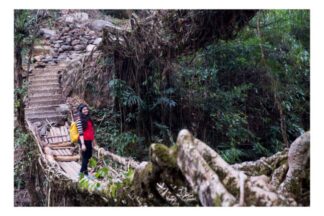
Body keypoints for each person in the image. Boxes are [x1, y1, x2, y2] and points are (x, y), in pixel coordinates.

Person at [76, 103, 96, 176]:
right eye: (84, 109)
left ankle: (85, 171)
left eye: (86, 109)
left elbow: (91, 130)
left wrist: (93, 141)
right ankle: (82, 172)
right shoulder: (79, 121)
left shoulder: (89, 119)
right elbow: (80, 133)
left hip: (89, 140)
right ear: (81, 111)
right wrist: (83, 144)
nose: (86, 110)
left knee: (89, 155)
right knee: (85, 156)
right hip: (83, 140)